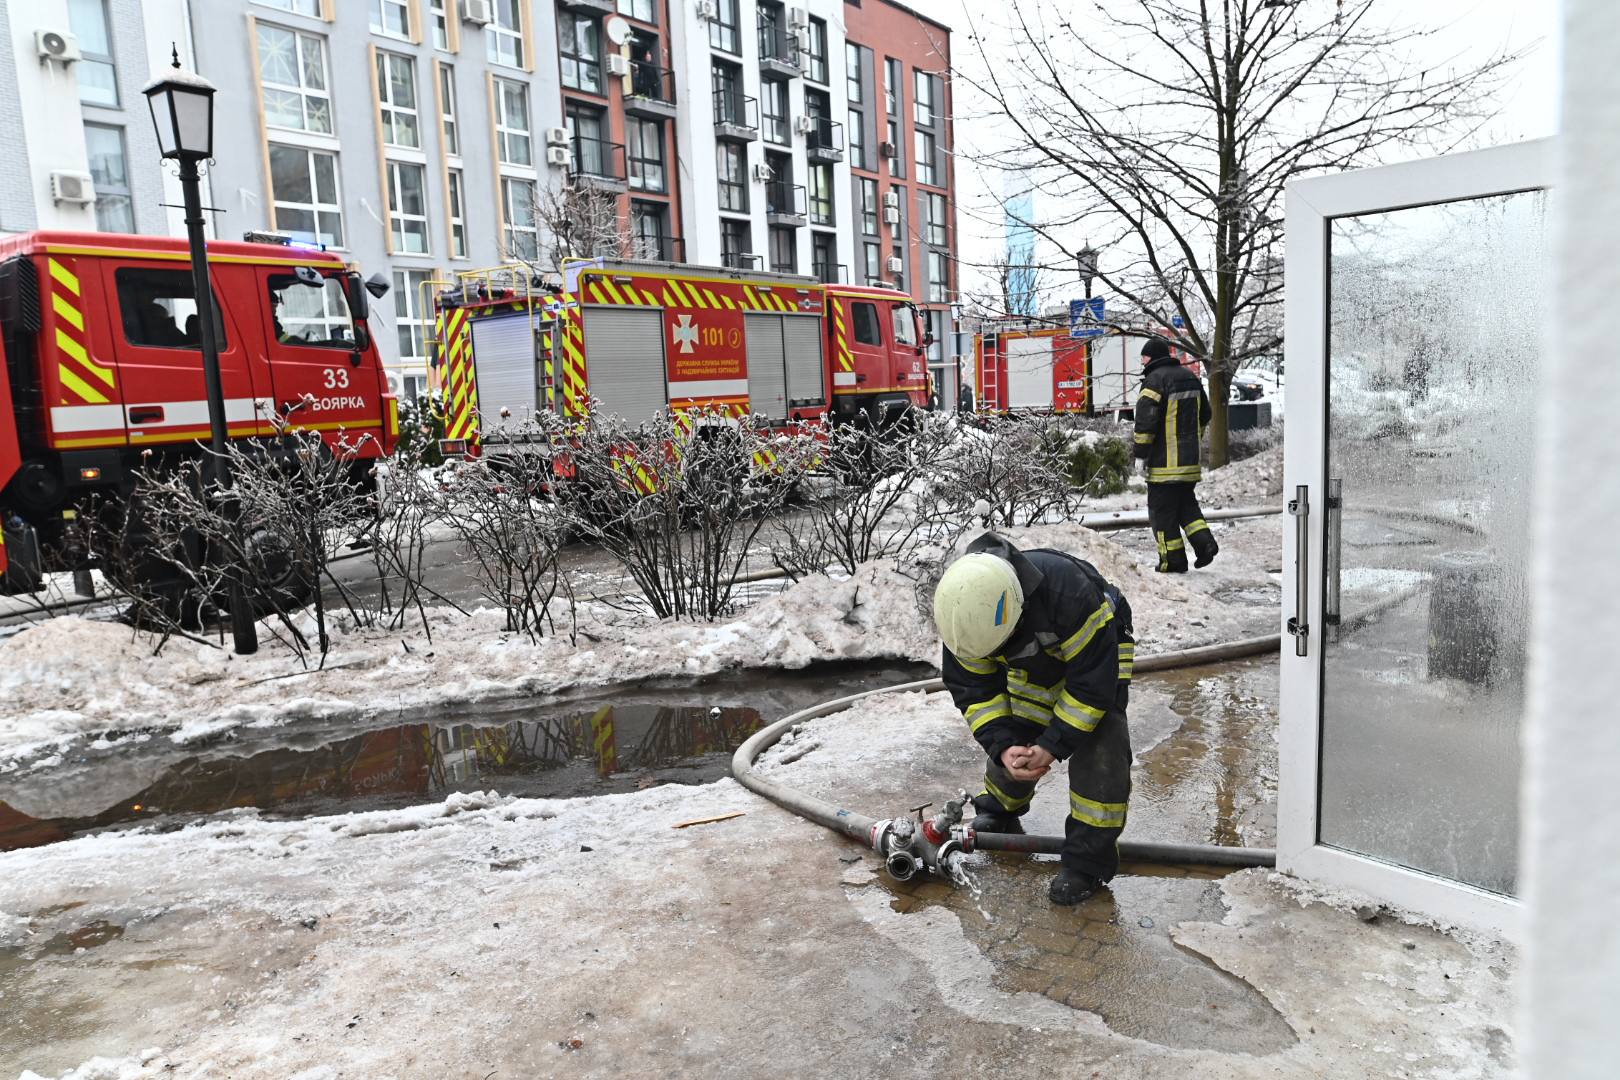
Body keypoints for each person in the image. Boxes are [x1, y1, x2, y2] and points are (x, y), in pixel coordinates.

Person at [935, 532, 1134, 905]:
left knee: (1101, 740)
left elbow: (1091, 689)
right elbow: (977, 694)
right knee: (1019, 721)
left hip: (1099, 651)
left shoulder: (1070, 595)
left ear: (1015, 613)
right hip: (1037, 651)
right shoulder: (965, 616)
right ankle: (999, 808)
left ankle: (1087, 862)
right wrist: (1004, 746)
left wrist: (1052, 746)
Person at [1133, 338, 1217, 572]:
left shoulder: (1154, 381)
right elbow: (1205, 414)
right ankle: (1205, 545)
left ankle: (1173, 561)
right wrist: (1193, 442)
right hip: (1189, 463)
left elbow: (1145, 424)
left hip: (1163, 466)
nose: (1142, 362)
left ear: (1151, 357)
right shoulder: (1190, 377)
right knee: (1186, 506)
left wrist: (1140, 455)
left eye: (1143, 357)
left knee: (1162, 515)